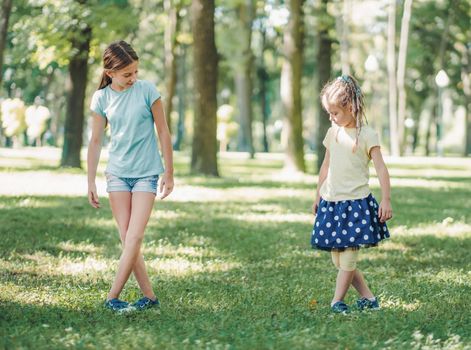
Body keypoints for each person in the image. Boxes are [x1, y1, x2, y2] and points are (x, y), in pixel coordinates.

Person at [87, 40, 174, 313]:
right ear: (110, 73)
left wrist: (169, 172)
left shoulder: (147, 90)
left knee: (134, 238)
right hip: (117, 176)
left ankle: (112, 297)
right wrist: (90, 180)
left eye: (136, 71)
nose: (133, 78)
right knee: (128, 240)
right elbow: (96, 141)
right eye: (127, 74)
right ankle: (149, 298)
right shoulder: (101, 98)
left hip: (146, 173)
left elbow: (163, 131)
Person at [311, 75, 392, 314]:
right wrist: (318, 195)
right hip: (331, 203)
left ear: (351, 107)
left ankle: (337, 301)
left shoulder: (367, 135)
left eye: (335, 112)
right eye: (329, 112)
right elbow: (325, 166)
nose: (331, 117)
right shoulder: (332, 133)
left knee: (347, 260)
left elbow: (381, 168)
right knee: (339, 261)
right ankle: (368, 298)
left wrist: (386, 199)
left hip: (355, 205)